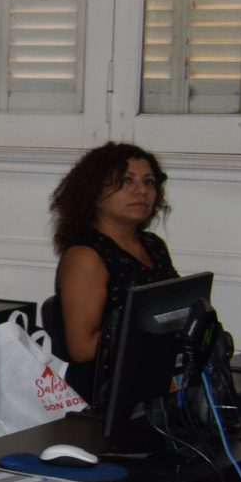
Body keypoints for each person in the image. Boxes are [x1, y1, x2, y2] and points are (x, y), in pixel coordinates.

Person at [49, 143, 178, 402]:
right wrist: (152, 335)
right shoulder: (85, 256)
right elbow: (82, 348)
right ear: (95, 193)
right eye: (126, 180)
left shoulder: (152, 245)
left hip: (152, 379)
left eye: (149, 182)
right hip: (106, 394)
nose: (141, 190)